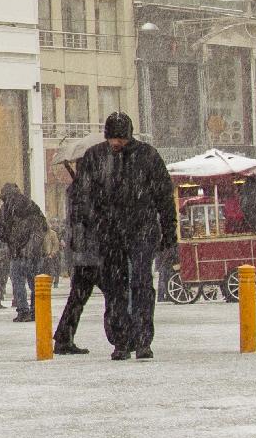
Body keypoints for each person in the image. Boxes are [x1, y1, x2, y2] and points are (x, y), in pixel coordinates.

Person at [75, 113, 177, 360]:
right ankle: (121, 340)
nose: (116, 143)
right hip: (110, 233)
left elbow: (164, 195)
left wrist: (169, 229)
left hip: (140, 230)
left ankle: (142, 340)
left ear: (129, 136)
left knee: (141, 284)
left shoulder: (147, 156)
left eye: (120, 138)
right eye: (112, 138)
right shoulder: (96, 157)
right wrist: (87, 227)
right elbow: (82, 197)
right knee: (115, 288)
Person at [51, 155, 104, 355]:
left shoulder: (76, 190)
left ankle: (64, 336)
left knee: (77, 297)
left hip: (82, 253)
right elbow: (90, 220)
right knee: (115, 294)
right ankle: (123, 337)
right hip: (92, 252)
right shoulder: (88, 191)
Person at [0, 183, 48, 323]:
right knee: (35, 283)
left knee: (18, 283)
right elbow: (43, 226)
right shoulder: (31, 204)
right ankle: (36, 310)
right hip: (34, 253)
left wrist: (12, 242)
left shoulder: (5, 208)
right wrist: (32, 245)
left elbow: (0, 230)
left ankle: (23, 311)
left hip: (16, 252)